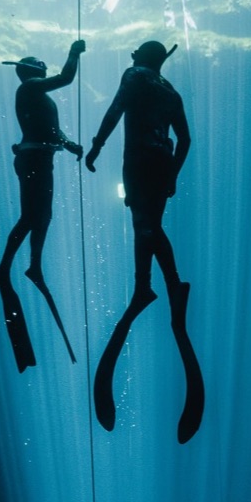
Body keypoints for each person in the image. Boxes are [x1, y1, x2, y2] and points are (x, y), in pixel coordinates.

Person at [85, 40, 190, 310]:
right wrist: (173, 175)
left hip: (139, 160)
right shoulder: (171, 92)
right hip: (162, 162)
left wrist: (96, 146)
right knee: (148, 225)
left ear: (147, 57)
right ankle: (150, 286)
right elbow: (185, 139)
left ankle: (155, 285)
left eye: (138, 52)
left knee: (145, 225)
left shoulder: (135, 75)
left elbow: (115, 110)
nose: (133, 55)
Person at [0, 40, 85, 289]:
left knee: (41, 216)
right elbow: (66, 78)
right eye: (39, 65)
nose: (43, 67)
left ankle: (31, 266)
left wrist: (69, 144)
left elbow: (52, 130)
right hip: (35, 159)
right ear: (32, 71)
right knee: (32, 216)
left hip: (38, 158)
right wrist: (74, 53)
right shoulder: (31, 87)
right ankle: (10, 266)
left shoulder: (37, 94)